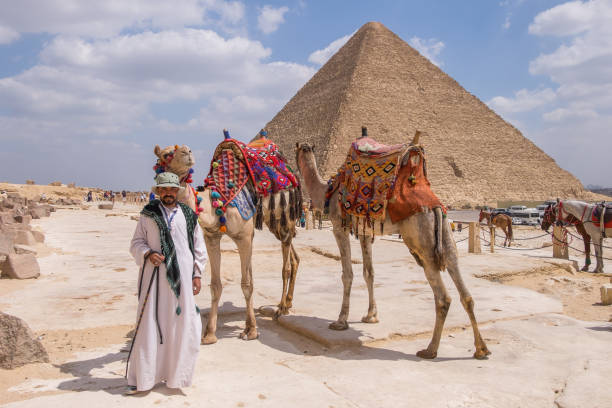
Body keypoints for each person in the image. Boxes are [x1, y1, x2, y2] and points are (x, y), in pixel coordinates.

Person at [126, 172, 207, 395]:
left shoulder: (189, 215)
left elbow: (198, 246)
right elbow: (136, 243)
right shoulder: (148, 214)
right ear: (159, 192)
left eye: (172, 190)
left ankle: (176, 376)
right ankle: (143, 379)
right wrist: (148, 253)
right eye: (164, 190)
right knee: (150, 326)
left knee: (182, 326)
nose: (168, 193)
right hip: (155, 280)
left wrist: (197, 274)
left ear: (177, 192)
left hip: (183, 280)